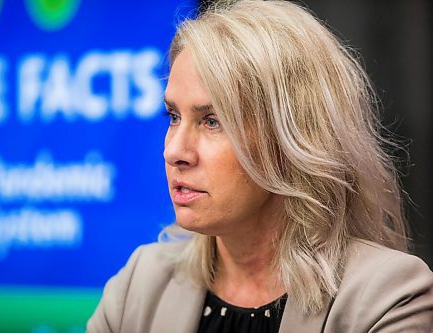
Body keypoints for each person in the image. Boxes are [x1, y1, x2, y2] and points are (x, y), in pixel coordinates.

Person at [87, 1, 433, 332]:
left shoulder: (388, 296)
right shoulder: (140, 284)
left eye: (212, 121)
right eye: (173, 116)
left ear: (292, 137)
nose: (174, 151)